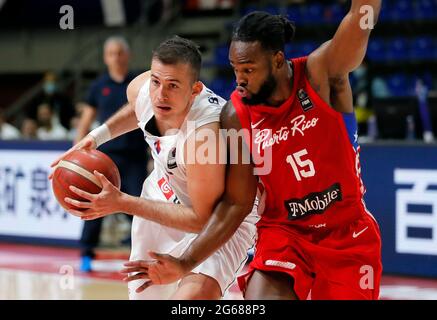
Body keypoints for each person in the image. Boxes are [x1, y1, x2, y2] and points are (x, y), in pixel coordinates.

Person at [137, 3, 383, 300]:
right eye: (235, 69)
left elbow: (359, 21)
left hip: (344, 231)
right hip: (285, 233)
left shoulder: (321, 74)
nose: (239, 79)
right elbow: (237, 203)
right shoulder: (236, 114)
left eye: (249, 69)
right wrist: (186, 261)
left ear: (277, 60)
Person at [50, 36, 259, 299]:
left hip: (219, 216)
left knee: (193, 299)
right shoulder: (142, 88)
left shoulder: (203, 137)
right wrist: (96, 137)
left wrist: (123, 202)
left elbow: (201, 219)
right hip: (163, 192)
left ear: (195, 90)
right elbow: (139, 110)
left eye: (173, 85)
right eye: (156, 82)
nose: (160, 94)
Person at [73, 36, 149, 272]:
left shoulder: (138, 84)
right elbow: (85, 121)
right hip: (105, 157)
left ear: (128, 55)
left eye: (120, 53)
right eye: (111, 53)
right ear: (106, 58)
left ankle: (142, 253)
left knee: (139, 206)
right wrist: (75, 154)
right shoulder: (98, 86)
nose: (116, 57)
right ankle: (86, 252)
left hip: (135, 157)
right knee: (93, 203)